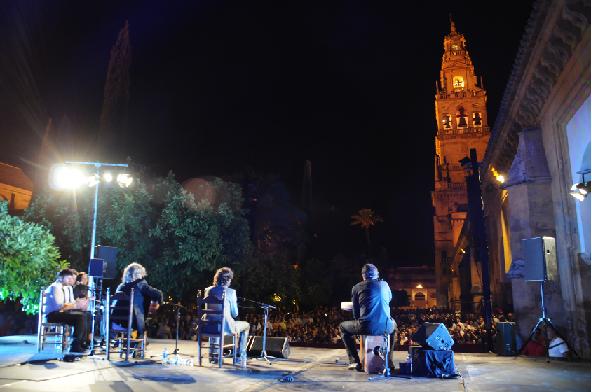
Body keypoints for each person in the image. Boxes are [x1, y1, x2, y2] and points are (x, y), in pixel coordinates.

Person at [339, 263, 396, 371]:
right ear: (376, 274)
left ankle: (354, 361)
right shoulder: (385, 284)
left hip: (366, 326)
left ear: (363, 276)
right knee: (394, 327)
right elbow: (388, 299)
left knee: (342, 327)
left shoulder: (356, 287)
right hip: (386, 326)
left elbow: (356, 313)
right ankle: (389, 361)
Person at [204, 267, 250, 362]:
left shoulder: (208, 290)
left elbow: (208, 309)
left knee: (215, 321)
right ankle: (241, 356)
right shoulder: (231, 292)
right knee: (246, 325)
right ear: (228, 280)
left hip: (208, 325)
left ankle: (214, 356)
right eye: (230, 280)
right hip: (225, 326)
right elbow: (235, 313)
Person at [44, 268, 89, 353]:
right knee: (80, 317)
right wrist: (75, 305)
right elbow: (59, 306)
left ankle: (83, 342)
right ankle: (75, 345)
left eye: (73, 279)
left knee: (87, 314)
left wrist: (78, 304)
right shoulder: (55, 287)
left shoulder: (68, 288)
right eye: (69, 278)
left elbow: (71, 303)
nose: (72, 281)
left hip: (63, 312)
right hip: (53, 314)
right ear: (62, 277)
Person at [115, 263, 163, 337]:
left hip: (116, 324)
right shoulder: (140, 284)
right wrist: (157, 304)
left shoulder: (120, 287)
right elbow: (157, 294)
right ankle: (135, 339)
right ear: (139, 274)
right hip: (134, 325)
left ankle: (127, 339)